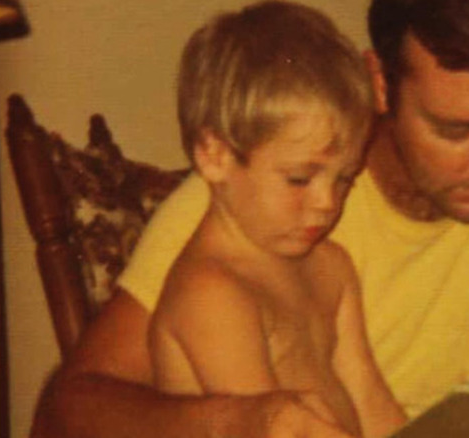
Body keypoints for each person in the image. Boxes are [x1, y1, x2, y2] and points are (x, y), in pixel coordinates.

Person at [31, 1, 469, 437]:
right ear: (379, 83)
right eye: (455, 129)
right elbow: (65, 415)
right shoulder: (249, 208)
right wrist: (233, 424)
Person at [145, 3, 405, 438]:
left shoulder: (331, 266)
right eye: (299, 178)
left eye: (345, 178)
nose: (326, 202)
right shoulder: (211, 294)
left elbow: (370, 400)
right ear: (215, 155)